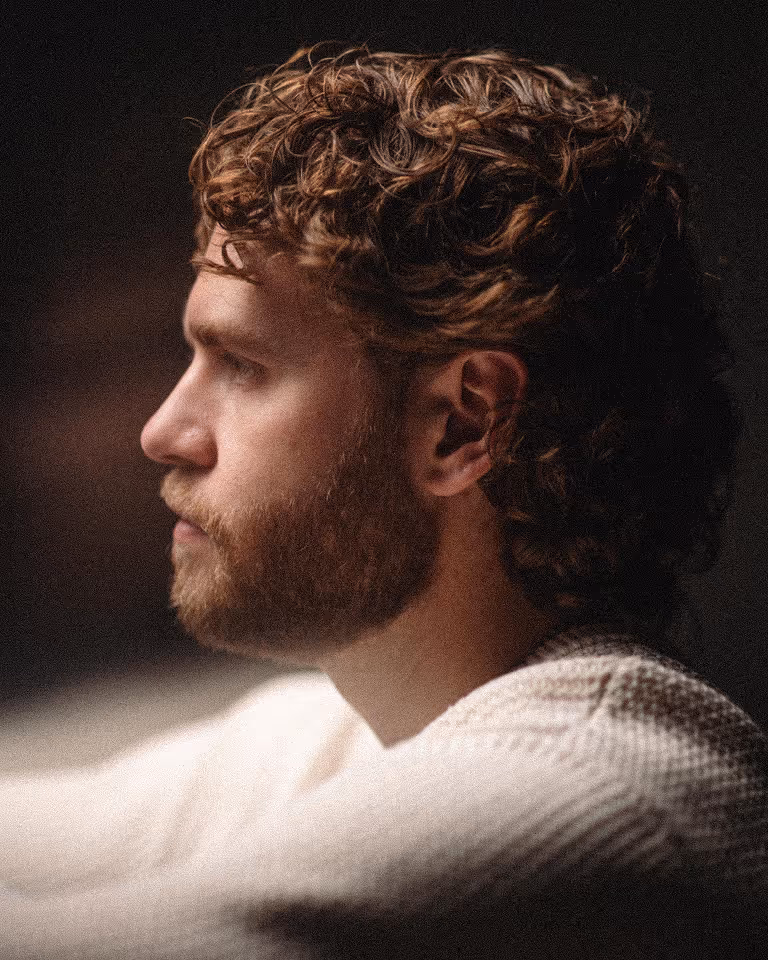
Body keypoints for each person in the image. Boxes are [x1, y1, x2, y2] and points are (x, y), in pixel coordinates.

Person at [2, 44, 767, 958]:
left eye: (242, 364)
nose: (163, 432)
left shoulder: (586, 792)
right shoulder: (342, 731)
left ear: (461, 423)